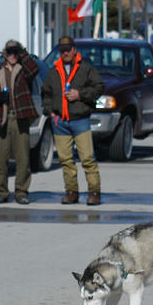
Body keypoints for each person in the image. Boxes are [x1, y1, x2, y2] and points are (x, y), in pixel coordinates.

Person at [41, 36, 104, 205]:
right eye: (62, 50)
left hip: (80, 119)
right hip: (60, 122)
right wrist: (51, 113)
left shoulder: (85, 68)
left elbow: (99, 87)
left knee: (87, 158)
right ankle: (71, 192)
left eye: (68, 49)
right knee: (65, 160)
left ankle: (94, 192)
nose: (66, 53)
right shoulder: (54, 71)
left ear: (74, 50)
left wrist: (80, 94)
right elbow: (45, 93)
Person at [0, 40, 39, 205]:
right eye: (10, 52)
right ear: (4, 54)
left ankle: (21, 191)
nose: (13, 55)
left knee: (23, 158)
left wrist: (23, 52)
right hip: (2, 118)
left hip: (20, 117)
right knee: (0, 158)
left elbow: (34, 69)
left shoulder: (23, 71)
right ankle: (1, 191)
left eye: (15, 52)